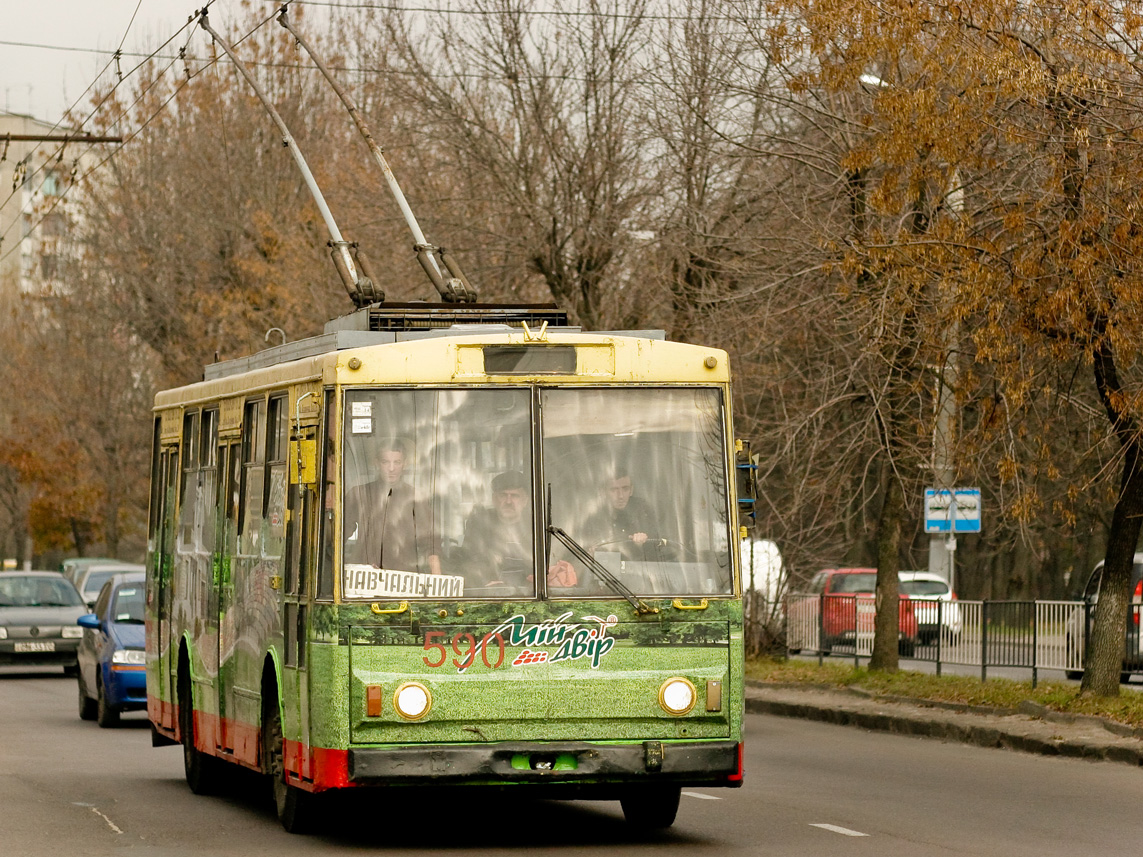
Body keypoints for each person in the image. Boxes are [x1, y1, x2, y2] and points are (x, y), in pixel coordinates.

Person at [459, 470, 576, 590]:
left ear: (525, 500)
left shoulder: (540, 526)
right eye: (503, 495)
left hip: (531, 593)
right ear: (494, 499)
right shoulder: (480, 524)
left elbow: (551, 564)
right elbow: (471, 560)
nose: (508, 501)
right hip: (491, 591)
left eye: (514, 496)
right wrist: (484, 581)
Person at [344, 439, 440, 574]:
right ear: (376, 463)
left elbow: (431, 542)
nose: (391, 468)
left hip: (403, 579)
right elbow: (338, 534)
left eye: (397, 462)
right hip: (365, 578)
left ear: (405, 464)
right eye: (385, 462)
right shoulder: (359, 494)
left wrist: (437, 582)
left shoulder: (416, 498)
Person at [583, 471, 657, 557]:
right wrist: (591, 553)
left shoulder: (643, 512)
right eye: (614, 490)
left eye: (625, 489)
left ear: (631, 490)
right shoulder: (593, 516)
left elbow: (658, 550)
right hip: (603, 569)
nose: (620, 496)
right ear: (603, 492)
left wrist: (643, 543)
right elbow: (584, 550)